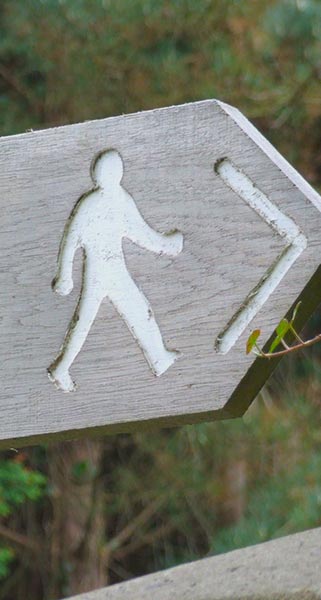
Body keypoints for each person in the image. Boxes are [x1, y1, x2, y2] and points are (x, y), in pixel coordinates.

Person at [48, 149, 183, 391]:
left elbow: (141, 232)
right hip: (100, 272)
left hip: (114, 270)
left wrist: (168, 245)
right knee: (85, 320)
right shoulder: (92, 204)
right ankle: (61, 368)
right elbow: (71, 240)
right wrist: (64, 276)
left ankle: (159, 357)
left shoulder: (119, 199)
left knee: (137, 311)